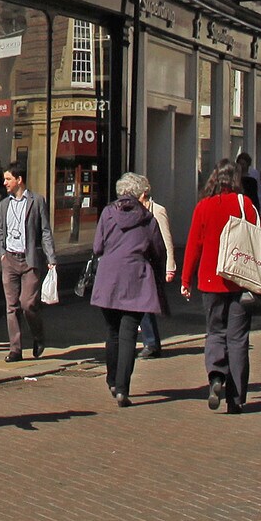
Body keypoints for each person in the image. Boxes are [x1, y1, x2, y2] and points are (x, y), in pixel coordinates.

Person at [181, 159, 261, 413]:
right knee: (238, 339)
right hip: (240, 280)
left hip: (210, 279)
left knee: (215, 332)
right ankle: (236, 398)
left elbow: (193, 244)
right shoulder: (245, 205)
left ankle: (216, 376)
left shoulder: (204, 206)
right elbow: (259, 242)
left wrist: (186, 280)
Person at [90, 173, 163, 405]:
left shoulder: (107, 213)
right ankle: (122, 389)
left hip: (109, 279)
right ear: (138, 193)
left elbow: (97, 246)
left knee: (112, 332)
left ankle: (111, 380)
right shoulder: (148, 218)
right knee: (129, 333)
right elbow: (158, 251)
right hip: (136, 280)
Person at [0, 160, 56, 362]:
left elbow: (45, 231)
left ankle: (38, 335)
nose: (4, 183)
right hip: (10, 259)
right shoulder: (4, 204)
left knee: (27, 303)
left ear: (19, 180)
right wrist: (2, 252)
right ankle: (16, 349)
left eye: (8, 179)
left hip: (29, 260)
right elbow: (0, 230)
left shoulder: (37, 201)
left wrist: (51, 258)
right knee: (11, 306)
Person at [136, 181, 177, 358]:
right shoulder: (134, 212)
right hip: (138, 265)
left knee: (145, 303)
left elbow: (167, 241)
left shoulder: (157, 211)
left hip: (153, 265)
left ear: (143, 193)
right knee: (143, 303)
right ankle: (152, 342)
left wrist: (170, 267)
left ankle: (151, 342)